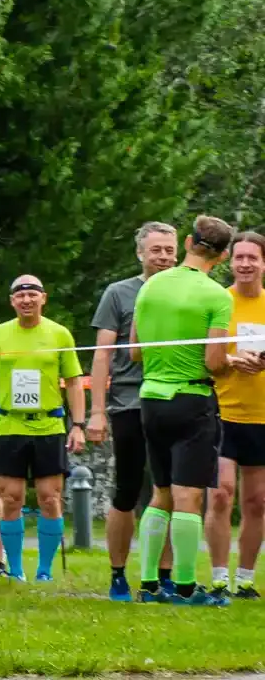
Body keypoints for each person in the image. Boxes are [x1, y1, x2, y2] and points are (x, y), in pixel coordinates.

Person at [130, 215, 236, 606]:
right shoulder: (217, 296)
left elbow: (135, 351)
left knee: (161, 494)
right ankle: (189, 589)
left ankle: (149, 584)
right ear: (223, 256)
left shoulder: (150, 286)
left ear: (188, 241)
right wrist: (234, 362)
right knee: (189, 497)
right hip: (191, 400)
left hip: (150, 399)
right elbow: (213, 362)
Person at [0, 274, 84, 584]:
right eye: (20, 295)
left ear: (43, 298)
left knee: (50, 497)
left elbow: (75, 382)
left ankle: (45, 570)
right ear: (11, 301)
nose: (27, 300)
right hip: (9, 424)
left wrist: (77, 424)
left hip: (48, 424)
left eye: (33, 294)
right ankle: (15, 568)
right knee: (11, 498)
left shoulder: (59, 334)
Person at [92, 222, 177, 601]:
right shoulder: (118, 293)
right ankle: (118, 574)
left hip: (175, 400)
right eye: (156, 250)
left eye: (169, 250)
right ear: (140, 253)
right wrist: (95, 411)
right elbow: (102, 354)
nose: (163, 257)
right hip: (129, 401)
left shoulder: (184, 291)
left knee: (173, 491)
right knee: (127, 489)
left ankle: (166, 575)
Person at [215, 233, 265, 599]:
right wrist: (232, 361)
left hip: (261, 417)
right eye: (239, 257)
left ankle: (246, 578)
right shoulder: (219, 302)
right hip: (221, 412)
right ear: (230, 262)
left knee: (257, 501)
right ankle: (218, 576)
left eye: (252, 258)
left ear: (264, 263)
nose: (245, 264)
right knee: (221, 493)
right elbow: (206, 357)